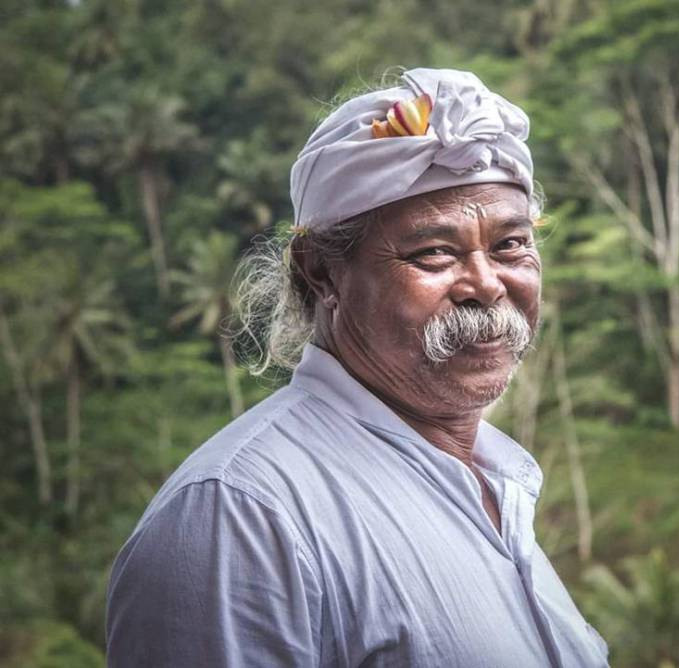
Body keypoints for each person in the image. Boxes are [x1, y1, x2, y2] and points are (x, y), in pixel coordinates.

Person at [105, 67, 609, 667]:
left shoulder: (498, 478)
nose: (485, 283)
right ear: (320, 272)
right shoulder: (240, 515)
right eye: (435, 253)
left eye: (511, 246)